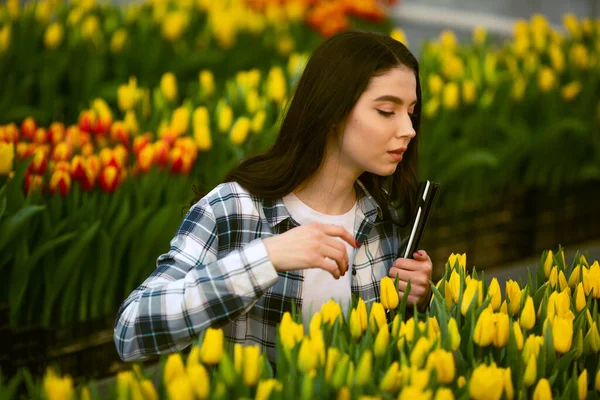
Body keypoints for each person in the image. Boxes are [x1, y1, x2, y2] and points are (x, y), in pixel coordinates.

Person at [114, 30, 433, 364]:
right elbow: (131, 331)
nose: (408, 129)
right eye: (386, 110)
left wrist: (417, 301)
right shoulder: (233, 209)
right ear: (333, 111)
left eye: (410, 112)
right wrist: (265, 258)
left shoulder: (381, 220)